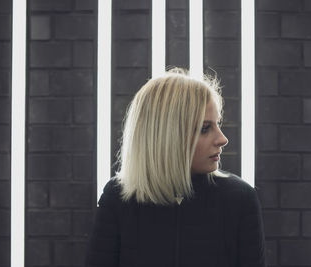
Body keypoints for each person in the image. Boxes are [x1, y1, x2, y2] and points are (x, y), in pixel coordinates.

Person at [85, 68, 266, 267]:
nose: (222, 139)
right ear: (167, 135)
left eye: (218, 124)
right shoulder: (118, 197)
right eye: (205, 128)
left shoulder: (240, 199)